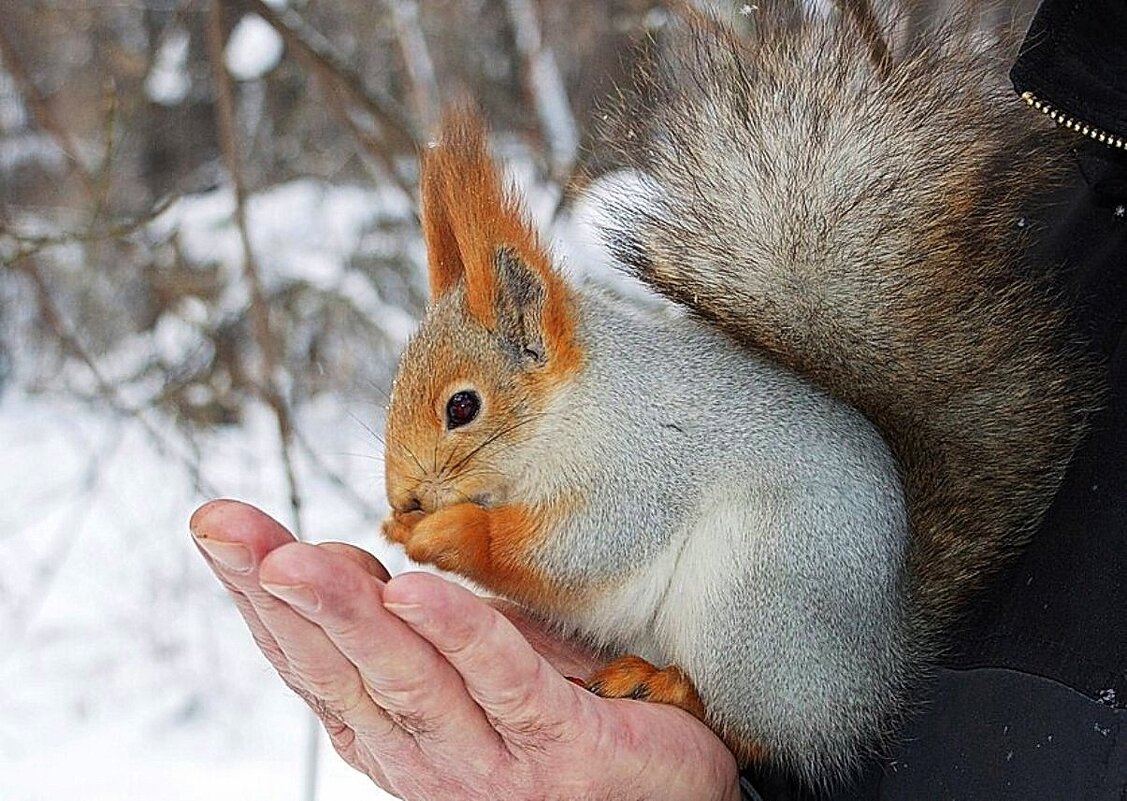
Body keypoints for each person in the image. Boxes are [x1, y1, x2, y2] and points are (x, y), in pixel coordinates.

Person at [191, 0, 1125, 797]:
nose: (420, 473)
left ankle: (744, 719)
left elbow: (611, 539)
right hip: (800, 642)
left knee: (751, 543)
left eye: (460, 415)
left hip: (804, 615)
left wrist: (483, 547)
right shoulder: (1084, 233)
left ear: (532, 329)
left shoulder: (606, 411)